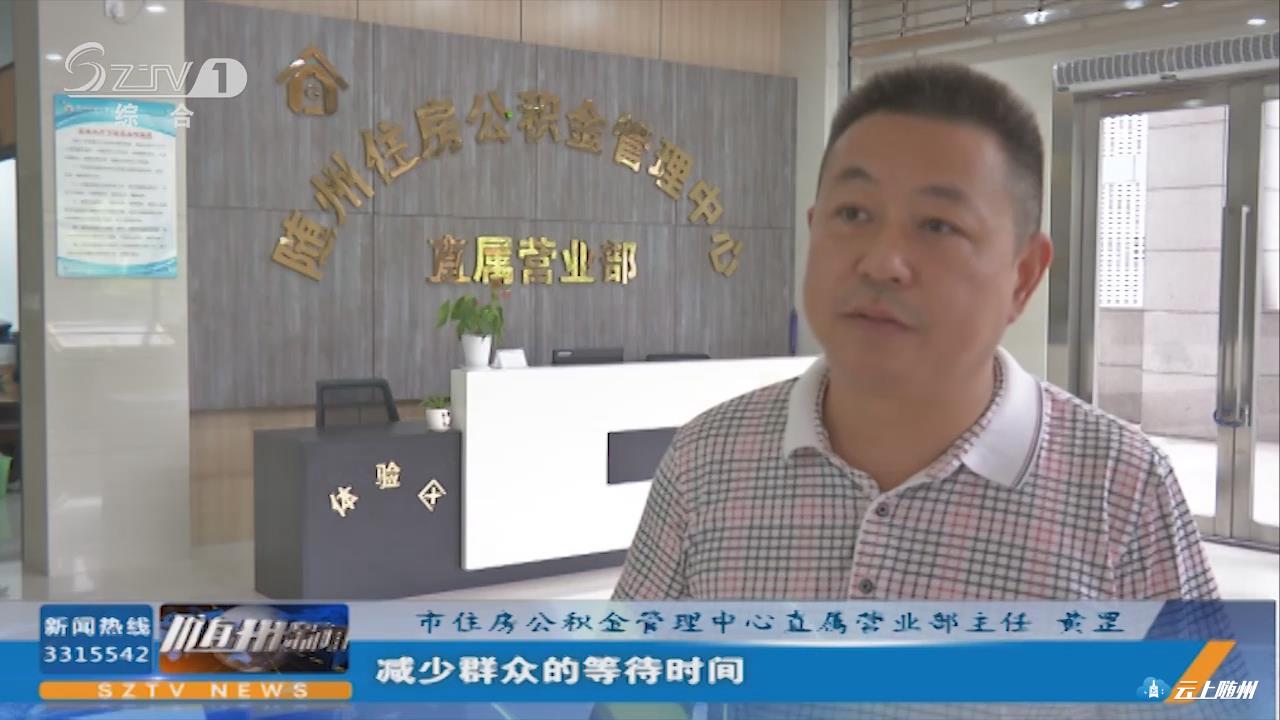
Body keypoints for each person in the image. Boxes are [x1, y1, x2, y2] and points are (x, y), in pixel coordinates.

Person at [613, 63, 1218, 601]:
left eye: (937, 225)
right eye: (853, 213)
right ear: (814, 229)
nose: (882, 263)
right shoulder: (707, 457)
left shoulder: (1122, 488)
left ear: (1023, 276)